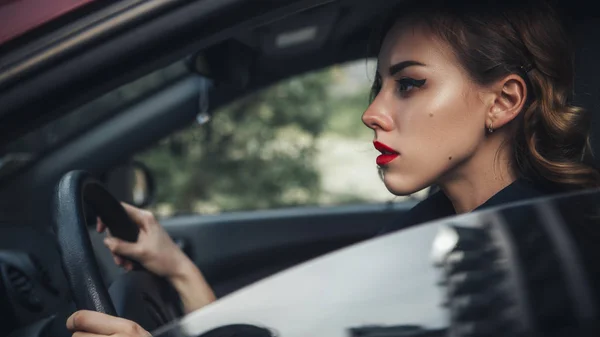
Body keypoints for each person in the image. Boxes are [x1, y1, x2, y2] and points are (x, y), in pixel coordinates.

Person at [66, 0, 600, 336]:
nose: (372, 113)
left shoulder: (540, 258)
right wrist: (179, 269)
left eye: (409, 84)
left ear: (503, 101)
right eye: (379, 87)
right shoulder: (433, 226)